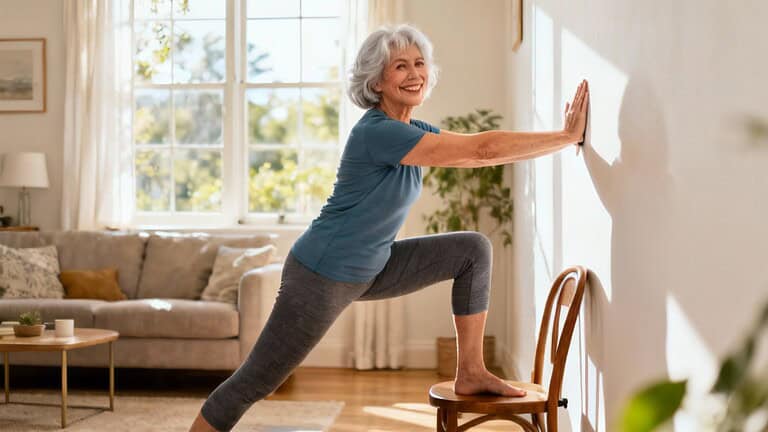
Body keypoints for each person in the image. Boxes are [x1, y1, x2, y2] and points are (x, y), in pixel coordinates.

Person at [190, 24, 589, 432]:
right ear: (377, 81)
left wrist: (563, 139)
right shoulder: (377, 133)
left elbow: (472, 156)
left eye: (419, 63)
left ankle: (470, 370)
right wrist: (564, 136)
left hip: (373, 268)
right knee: (255, 382)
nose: (415, 73)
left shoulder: (414, 132)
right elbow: (481, 150)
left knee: (472, 249)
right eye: (400, 66)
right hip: (322, 273)